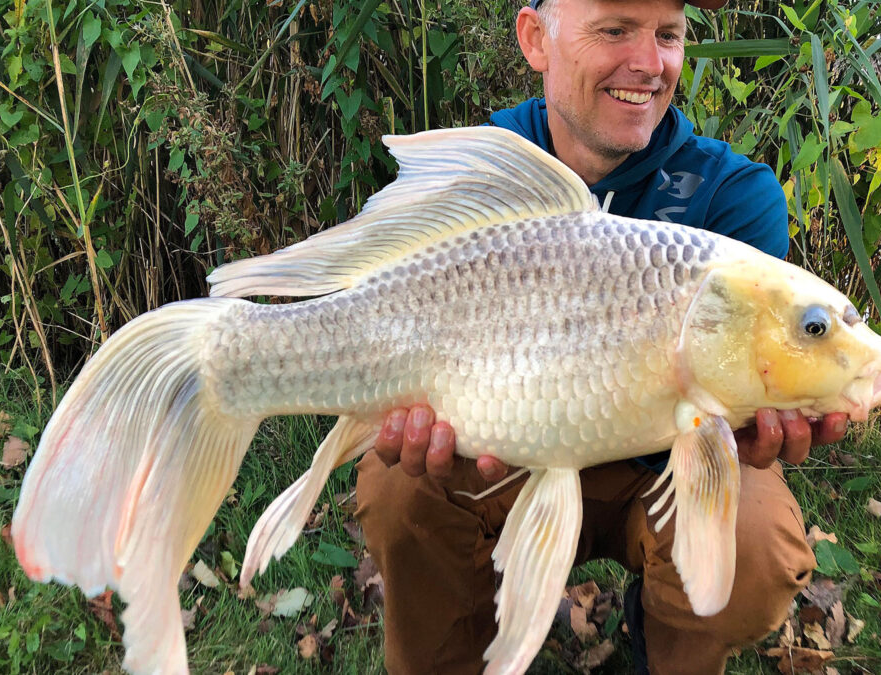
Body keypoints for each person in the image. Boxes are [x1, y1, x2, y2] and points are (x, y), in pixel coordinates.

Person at [353, 1, 849, 673]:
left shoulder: (733, 196)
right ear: (536, 38)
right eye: (615, 29)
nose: (650, 64)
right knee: (400, 489)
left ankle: (663, 644)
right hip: (504, 454)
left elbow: (748, 388)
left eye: (667, 35)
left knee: (756, 538)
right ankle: (463, 642)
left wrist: (754, 424)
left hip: (660, 469)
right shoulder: (479, 178)